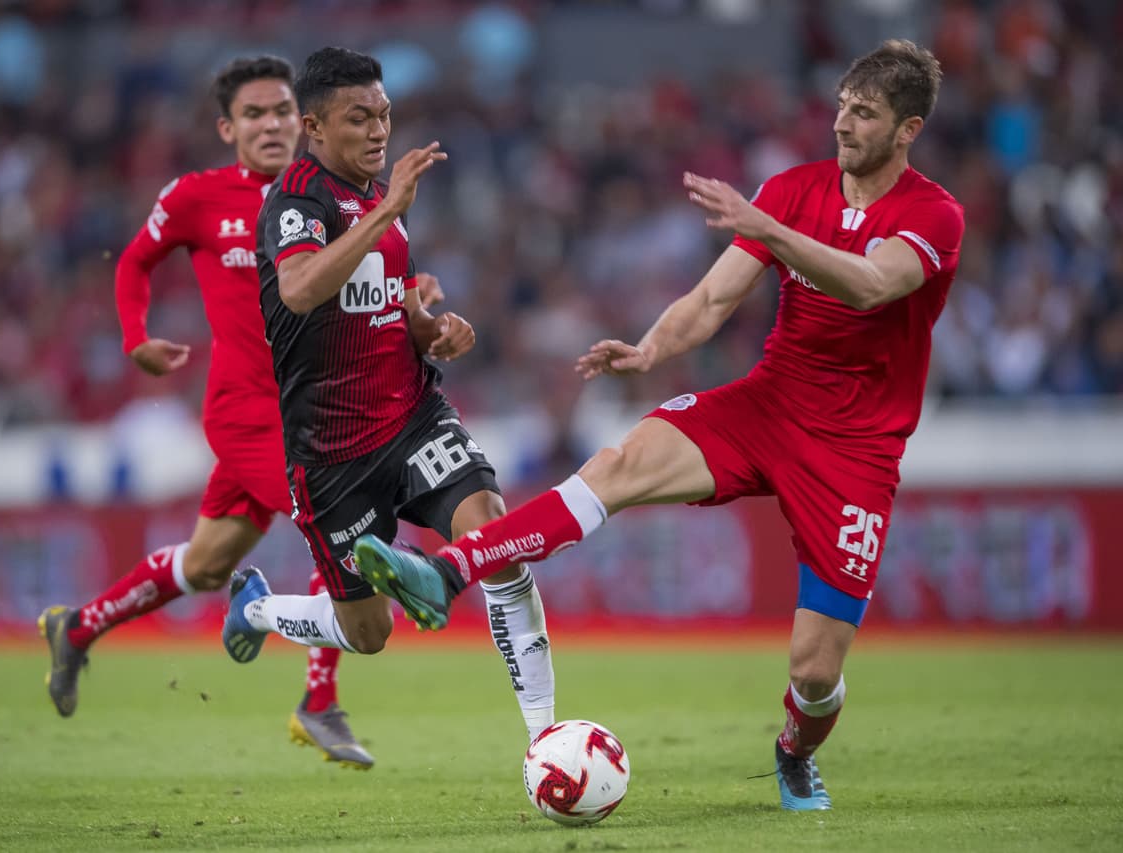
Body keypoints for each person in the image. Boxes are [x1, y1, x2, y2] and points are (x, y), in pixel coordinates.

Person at [352, 39, 964, 810]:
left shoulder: (935, 214)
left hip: (855, 450)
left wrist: (768, 229)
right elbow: (711, 301)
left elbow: (874, 285)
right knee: (621, 462)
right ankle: (445, 573)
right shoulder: (792, 188)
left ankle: (793, 750)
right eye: (842, 103)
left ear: (907, 131)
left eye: (865, 113)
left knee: (813, 672)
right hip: (769, 402)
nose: (844, 122)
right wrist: (649, 347)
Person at [37, 56, 377, 769]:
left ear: (304, 118)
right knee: (334, 515)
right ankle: (318, 701)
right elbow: (133, 262)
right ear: (228, 128)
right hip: (247, 410)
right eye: (254, 114)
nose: (272, 124)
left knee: (204, 563)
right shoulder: (197, 196)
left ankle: (78, 626)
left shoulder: (333, 193)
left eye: (283, 110)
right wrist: (135, 339)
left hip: (312, 405)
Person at [222, 46, 557, 744]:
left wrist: (434, 330)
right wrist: (386, 214)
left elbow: (391, 304)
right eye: (359, 118)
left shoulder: (380, 197)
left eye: (385, 115)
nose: (379, 131)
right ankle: (255, 609)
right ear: (313, 126)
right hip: (333, 455)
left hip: (413, 419)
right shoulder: (298, 198)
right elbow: (301, 287)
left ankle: (545, 737)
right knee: (367, 633)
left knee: (494, 533)